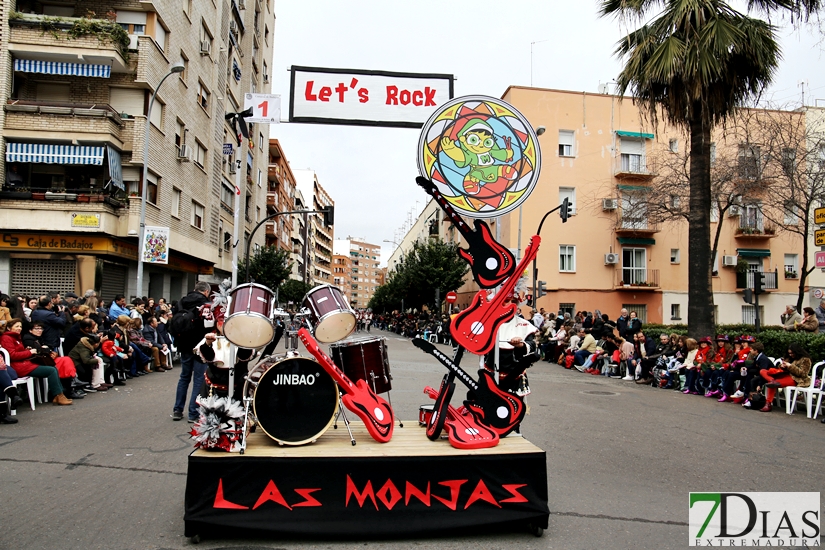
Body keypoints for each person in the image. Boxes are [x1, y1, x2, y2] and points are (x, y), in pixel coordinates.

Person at [482, 290, 540, 397]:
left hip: (514, 377)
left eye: (513, 301)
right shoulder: (488, 321)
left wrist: (521, 345)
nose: (510, 305)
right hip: (490, 374)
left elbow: (532, 346)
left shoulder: (524, 324)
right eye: (506, 301)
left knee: (513, 410)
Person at [0, 319, 73, 405]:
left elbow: (17, 352)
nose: (19, 328)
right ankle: (58, 395)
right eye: (16, 326)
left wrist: (26, 350)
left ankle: (59, 395)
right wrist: (29, 352)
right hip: (18, 366)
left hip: (23, 364)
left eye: (20, 326)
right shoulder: (7, 338)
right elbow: (12, 355)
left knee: (53, 369)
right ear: (9, 328)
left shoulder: (16, 337)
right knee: (51, 370)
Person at [172, 281, 213, 422]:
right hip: (200, 345)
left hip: (183, 345)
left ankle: (177, 410)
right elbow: (209, 325)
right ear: (206, 291)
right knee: (199, 379)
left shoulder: (181, 302)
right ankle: (193, 412)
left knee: (184, 377)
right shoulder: (206, 304)